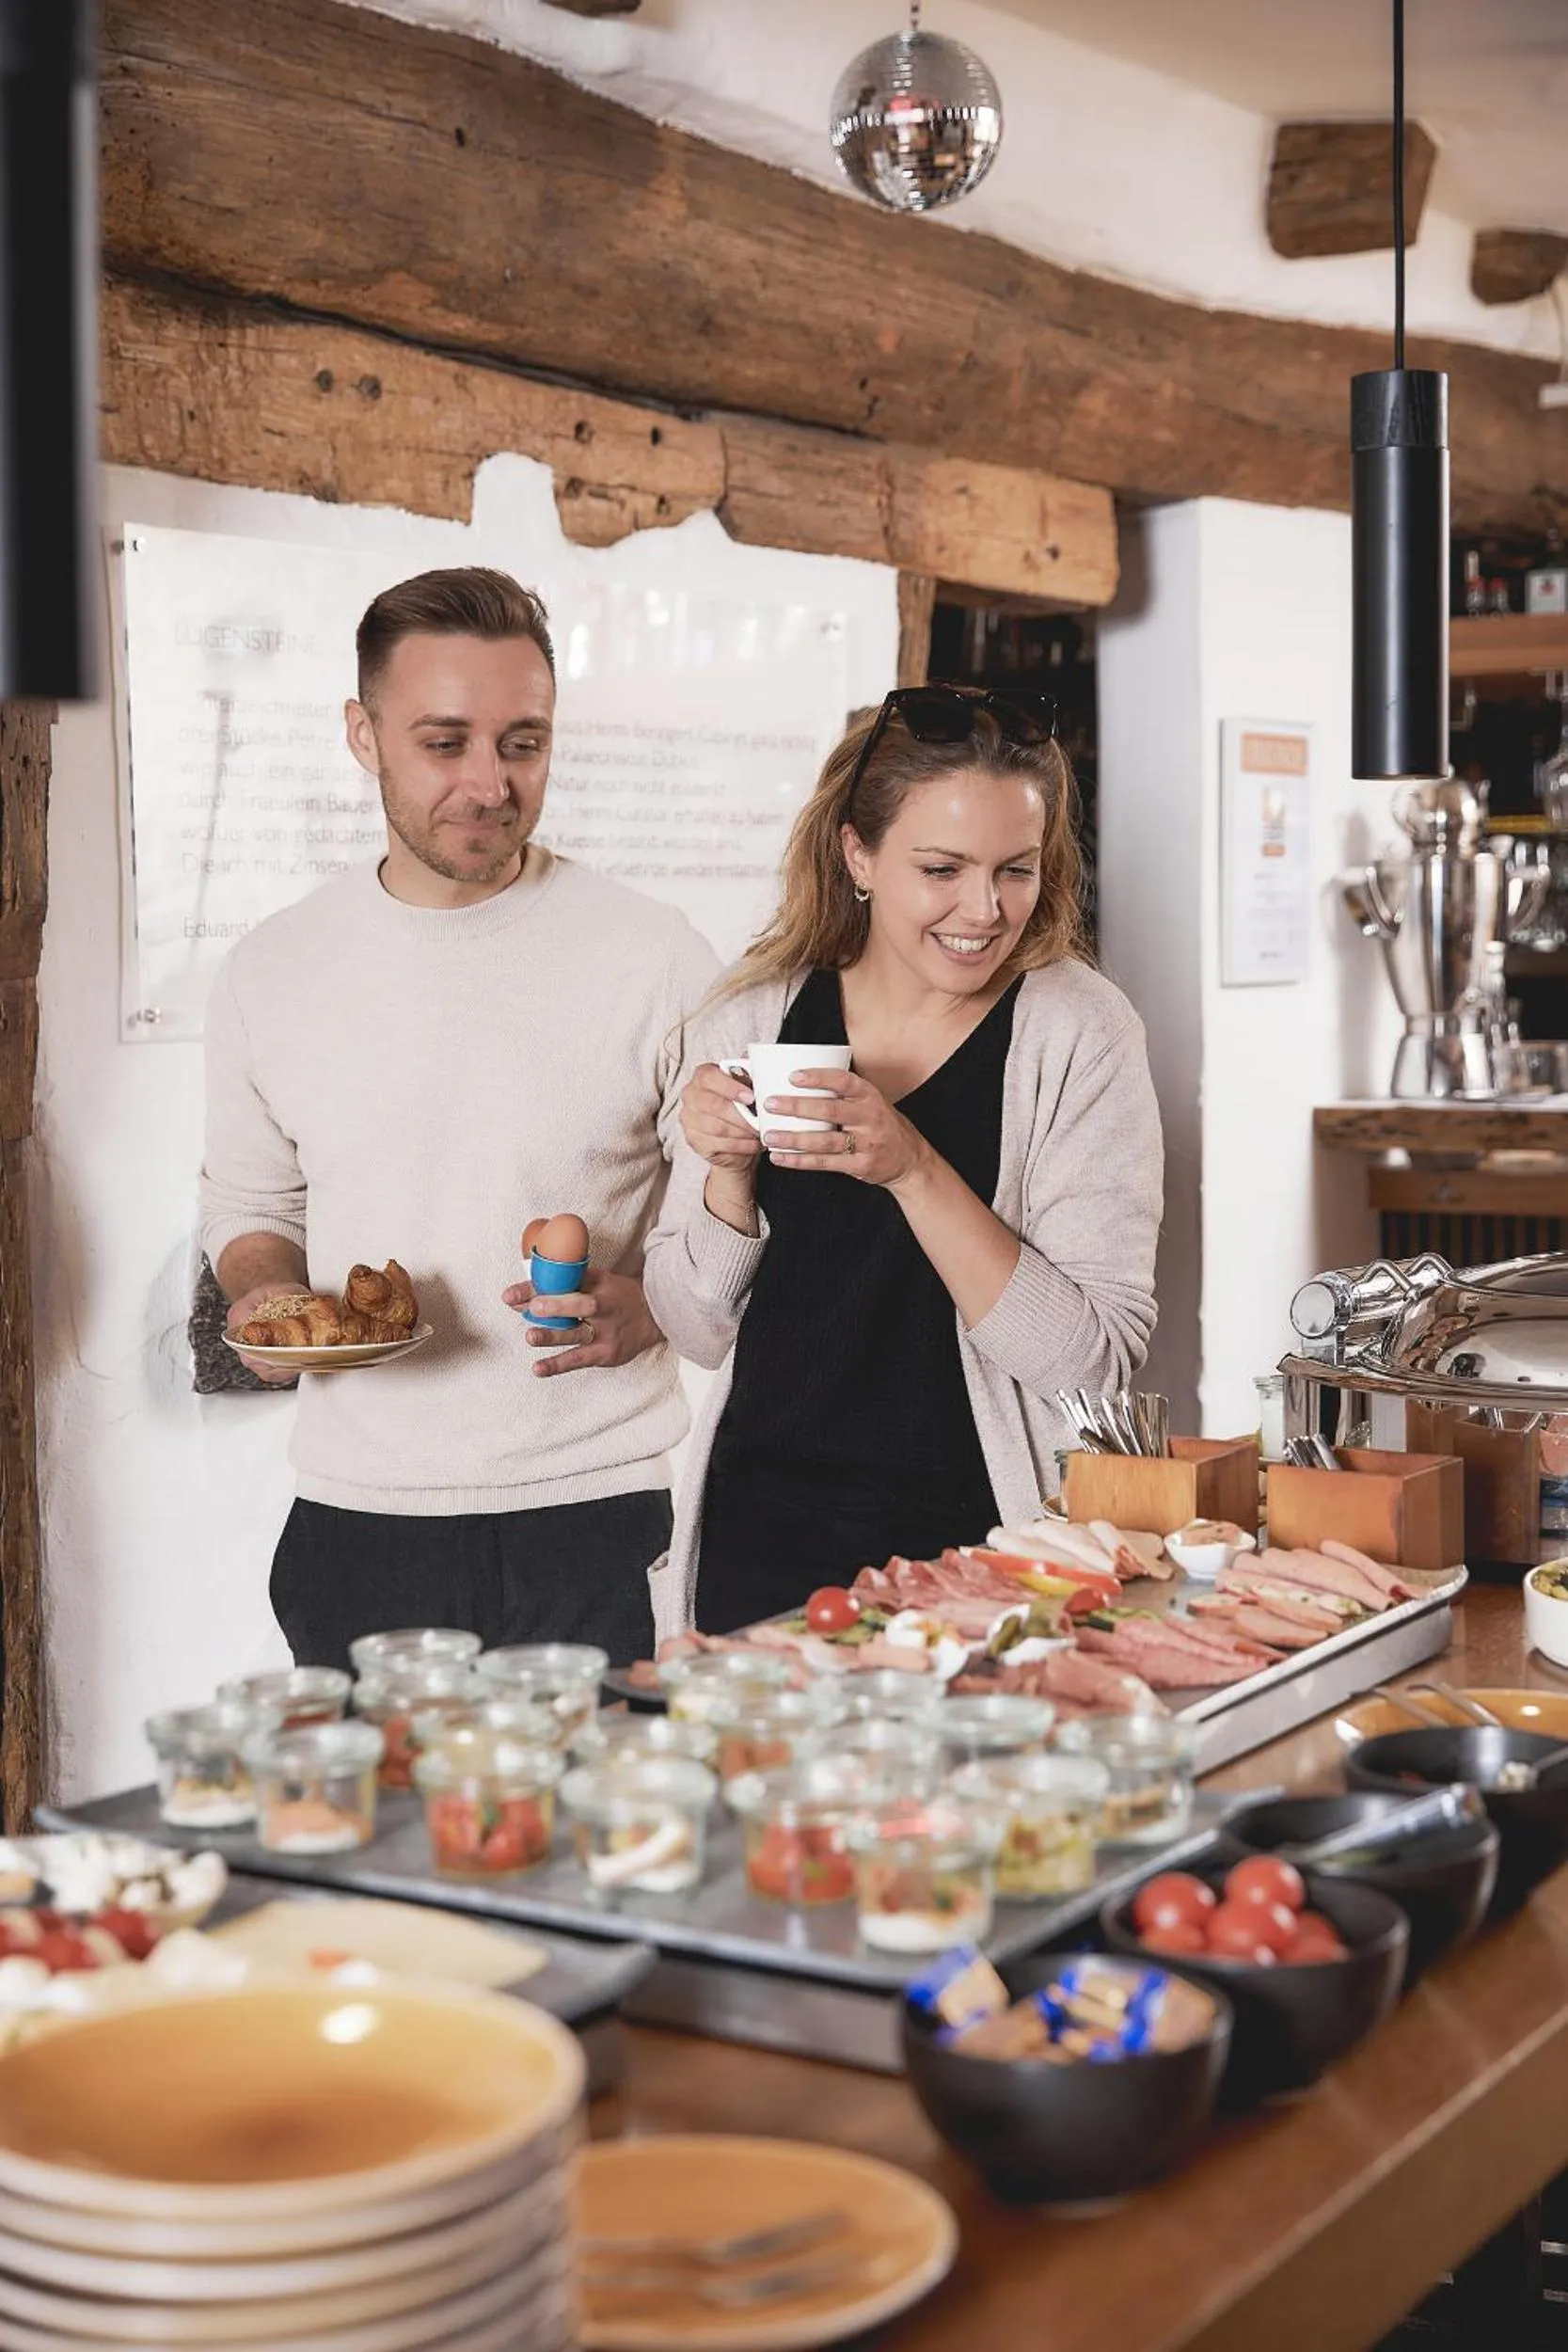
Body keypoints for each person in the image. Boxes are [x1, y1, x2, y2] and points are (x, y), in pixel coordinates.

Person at [200, 565, 716, 1668]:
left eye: (520, 742)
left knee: (603, 1841)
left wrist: (657, 1304)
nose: (488, 784)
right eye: (444, 742)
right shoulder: (271, 969)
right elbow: (249, 1201)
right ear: (362, 733)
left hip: (596, 1508)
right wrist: (264, 1294)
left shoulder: (653, 952)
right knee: (368, 1840)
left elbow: (731, 1197)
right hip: (358, 1515)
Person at [641, 685, 1163, 1641]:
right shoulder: (753, 1021)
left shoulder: (1075, 1033)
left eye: (1015, 869)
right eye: (941, 868)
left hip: (984, 1558)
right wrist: (723, 1177)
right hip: (758, 1543)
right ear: (857, 854)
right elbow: (694, 1331)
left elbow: (1090, 1363)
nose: (984, 909)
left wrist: (910, 1165)